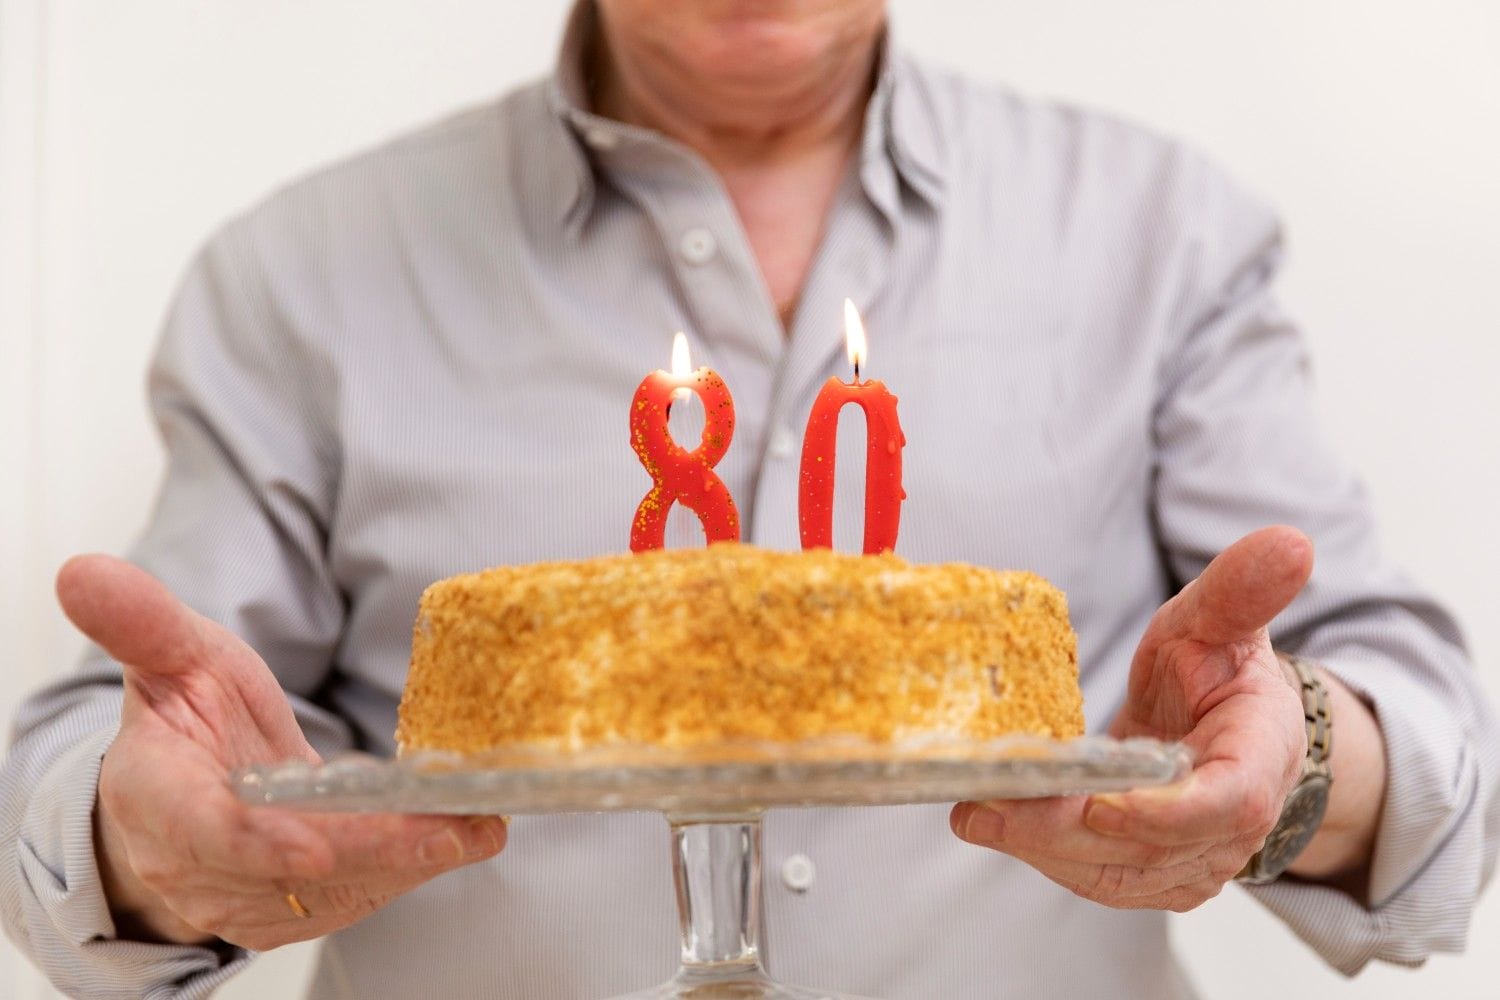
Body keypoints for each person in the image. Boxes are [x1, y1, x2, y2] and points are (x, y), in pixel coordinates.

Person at [3, 1, 1496, 997]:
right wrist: (143, 846)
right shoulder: (302, 274)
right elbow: (98, 765)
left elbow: (1431, 766)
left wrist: (1297, 762)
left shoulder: (1166, 234)